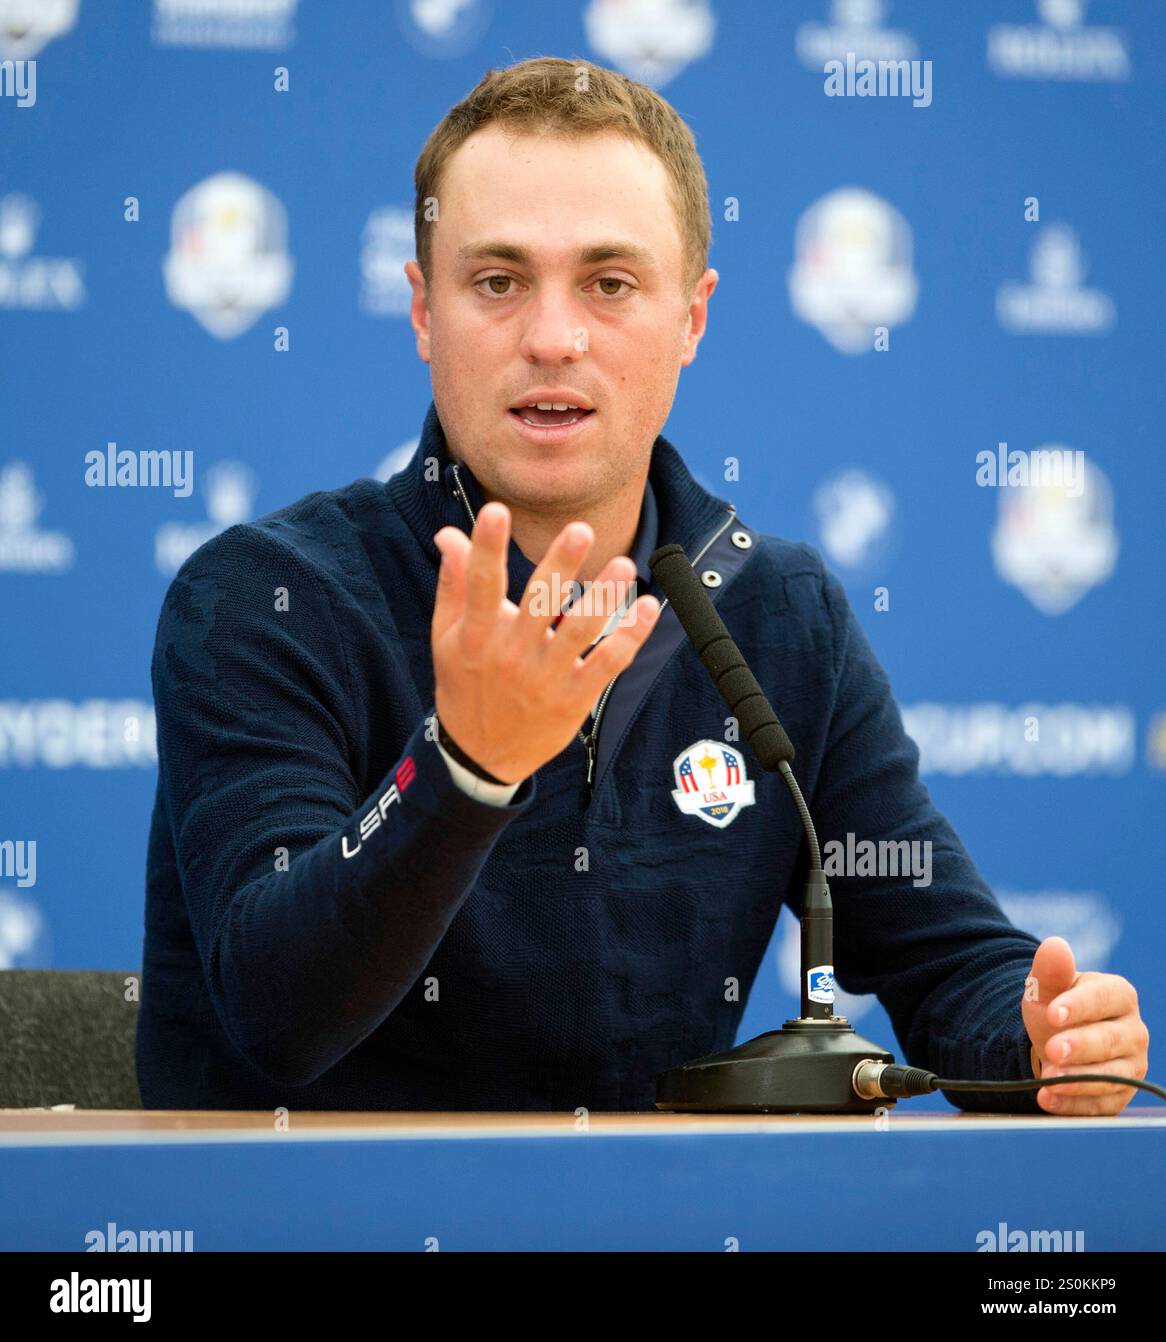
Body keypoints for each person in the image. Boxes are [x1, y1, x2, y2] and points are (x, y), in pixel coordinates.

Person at [136, 56, 1148, 1114]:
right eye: (496, 281)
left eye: (609, 284)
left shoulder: (776, 614)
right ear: (423, 310)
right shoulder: (265, 598)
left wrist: (1041, 1036)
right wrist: (467, 767)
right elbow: (275, 1012)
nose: (552, 338)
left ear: (692, 319)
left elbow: (951, 965)